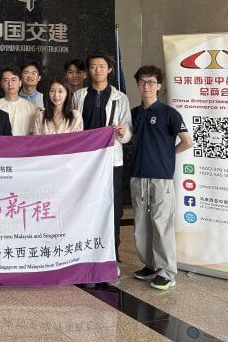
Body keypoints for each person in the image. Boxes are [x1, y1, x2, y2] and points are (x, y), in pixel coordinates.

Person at [130, 65, 193, 291]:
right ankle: (150, 265)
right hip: (138, 175)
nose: (146, 86)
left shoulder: (169, 113)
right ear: (138, 85)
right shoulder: (134, 113)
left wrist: (168, 155)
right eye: (142, 82)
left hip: (161, 178)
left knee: (161, 223)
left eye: (151, 82)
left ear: (158, 86)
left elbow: (187, 141)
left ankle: (166, 272)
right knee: (141, 224)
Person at [72, 53, 132, 257]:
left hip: (111, 161)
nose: (97, 70)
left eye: (101, 66)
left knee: (112, 207)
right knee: (84, 205)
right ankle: (85, 251)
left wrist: (123, 132)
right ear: (88, 71)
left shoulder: (120, 97)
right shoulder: (79, 96)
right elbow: (74, 128)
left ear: (109, 70)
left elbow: (127, 131)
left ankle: (111, 253)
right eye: (93, 66)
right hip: (85, 162)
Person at [0, 66, 38, 136]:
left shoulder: (31, 108)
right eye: (6, 80)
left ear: (20, 83)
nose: (10, 84)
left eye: (13, 80)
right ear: (1, 84)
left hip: (24, 143)